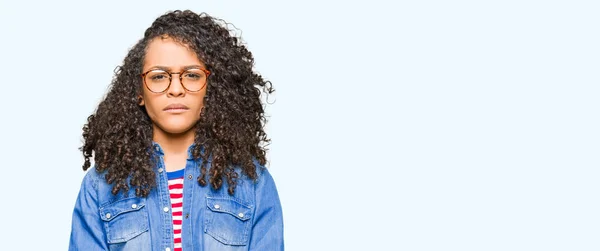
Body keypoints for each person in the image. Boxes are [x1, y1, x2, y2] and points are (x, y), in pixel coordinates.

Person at [68, 10, 283, 251]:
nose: (176, 89)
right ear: (139, 92)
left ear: (212, 88)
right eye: (159, 77)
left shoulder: (253, 183)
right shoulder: (100, 185)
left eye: (192, 75)